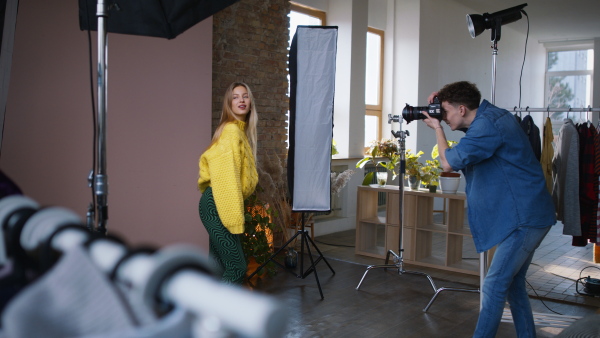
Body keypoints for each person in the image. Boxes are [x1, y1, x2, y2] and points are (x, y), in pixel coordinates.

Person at [421, 81, 556, 337]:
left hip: (524, 219)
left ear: (462, 109)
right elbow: (474, 141)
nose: (443, 117)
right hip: (530, 214)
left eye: (446, 111)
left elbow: (449, 162)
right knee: (513, 285)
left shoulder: (487, 125)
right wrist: (443, 103)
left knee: (493, 285)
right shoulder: (491, 117)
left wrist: (437, 128)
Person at [197, 82, 258, 284]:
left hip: (216, 202)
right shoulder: (231, 131)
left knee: (216, 266)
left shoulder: (238, 132)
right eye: (235, 97)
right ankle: (218, 312)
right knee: (236, 267)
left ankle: (204, 311)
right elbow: (226, 180)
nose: (241, 100)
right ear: (228, 104)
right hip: (219, 204)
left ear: (250, 102)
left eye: (245, 96)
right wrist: (234, 220)